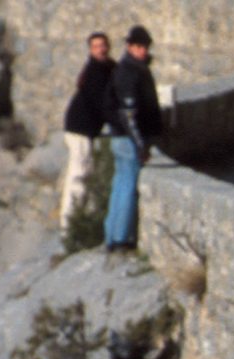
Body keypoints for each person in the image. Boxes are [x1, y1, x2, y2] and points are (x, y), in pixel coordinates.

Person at [103, 25, 163, 253]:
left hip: (120, 136)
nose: (143, 51)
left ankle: (112, 235)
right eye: (138, 46)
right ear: (129, 46)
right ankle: (120, 238)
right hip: (127, 138)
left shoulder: (129, 69)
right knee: (127, 186)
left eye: (145, 47)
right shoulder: (129, 72)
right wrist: (140, 144)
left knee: (120, 184)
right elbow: (128, 114)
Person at [58, 32, 115, 231]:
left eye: (103, 45)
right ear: (91, 50)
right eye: (96, 46)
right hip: (79, 129)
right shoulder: (94, 72)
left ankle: (82, 217)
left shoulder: (108, 67)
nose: (101, 49)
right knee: (79, 173)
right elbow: (102, 103)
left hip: (86, 130)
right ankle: (69, 224)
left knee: (86, 171)